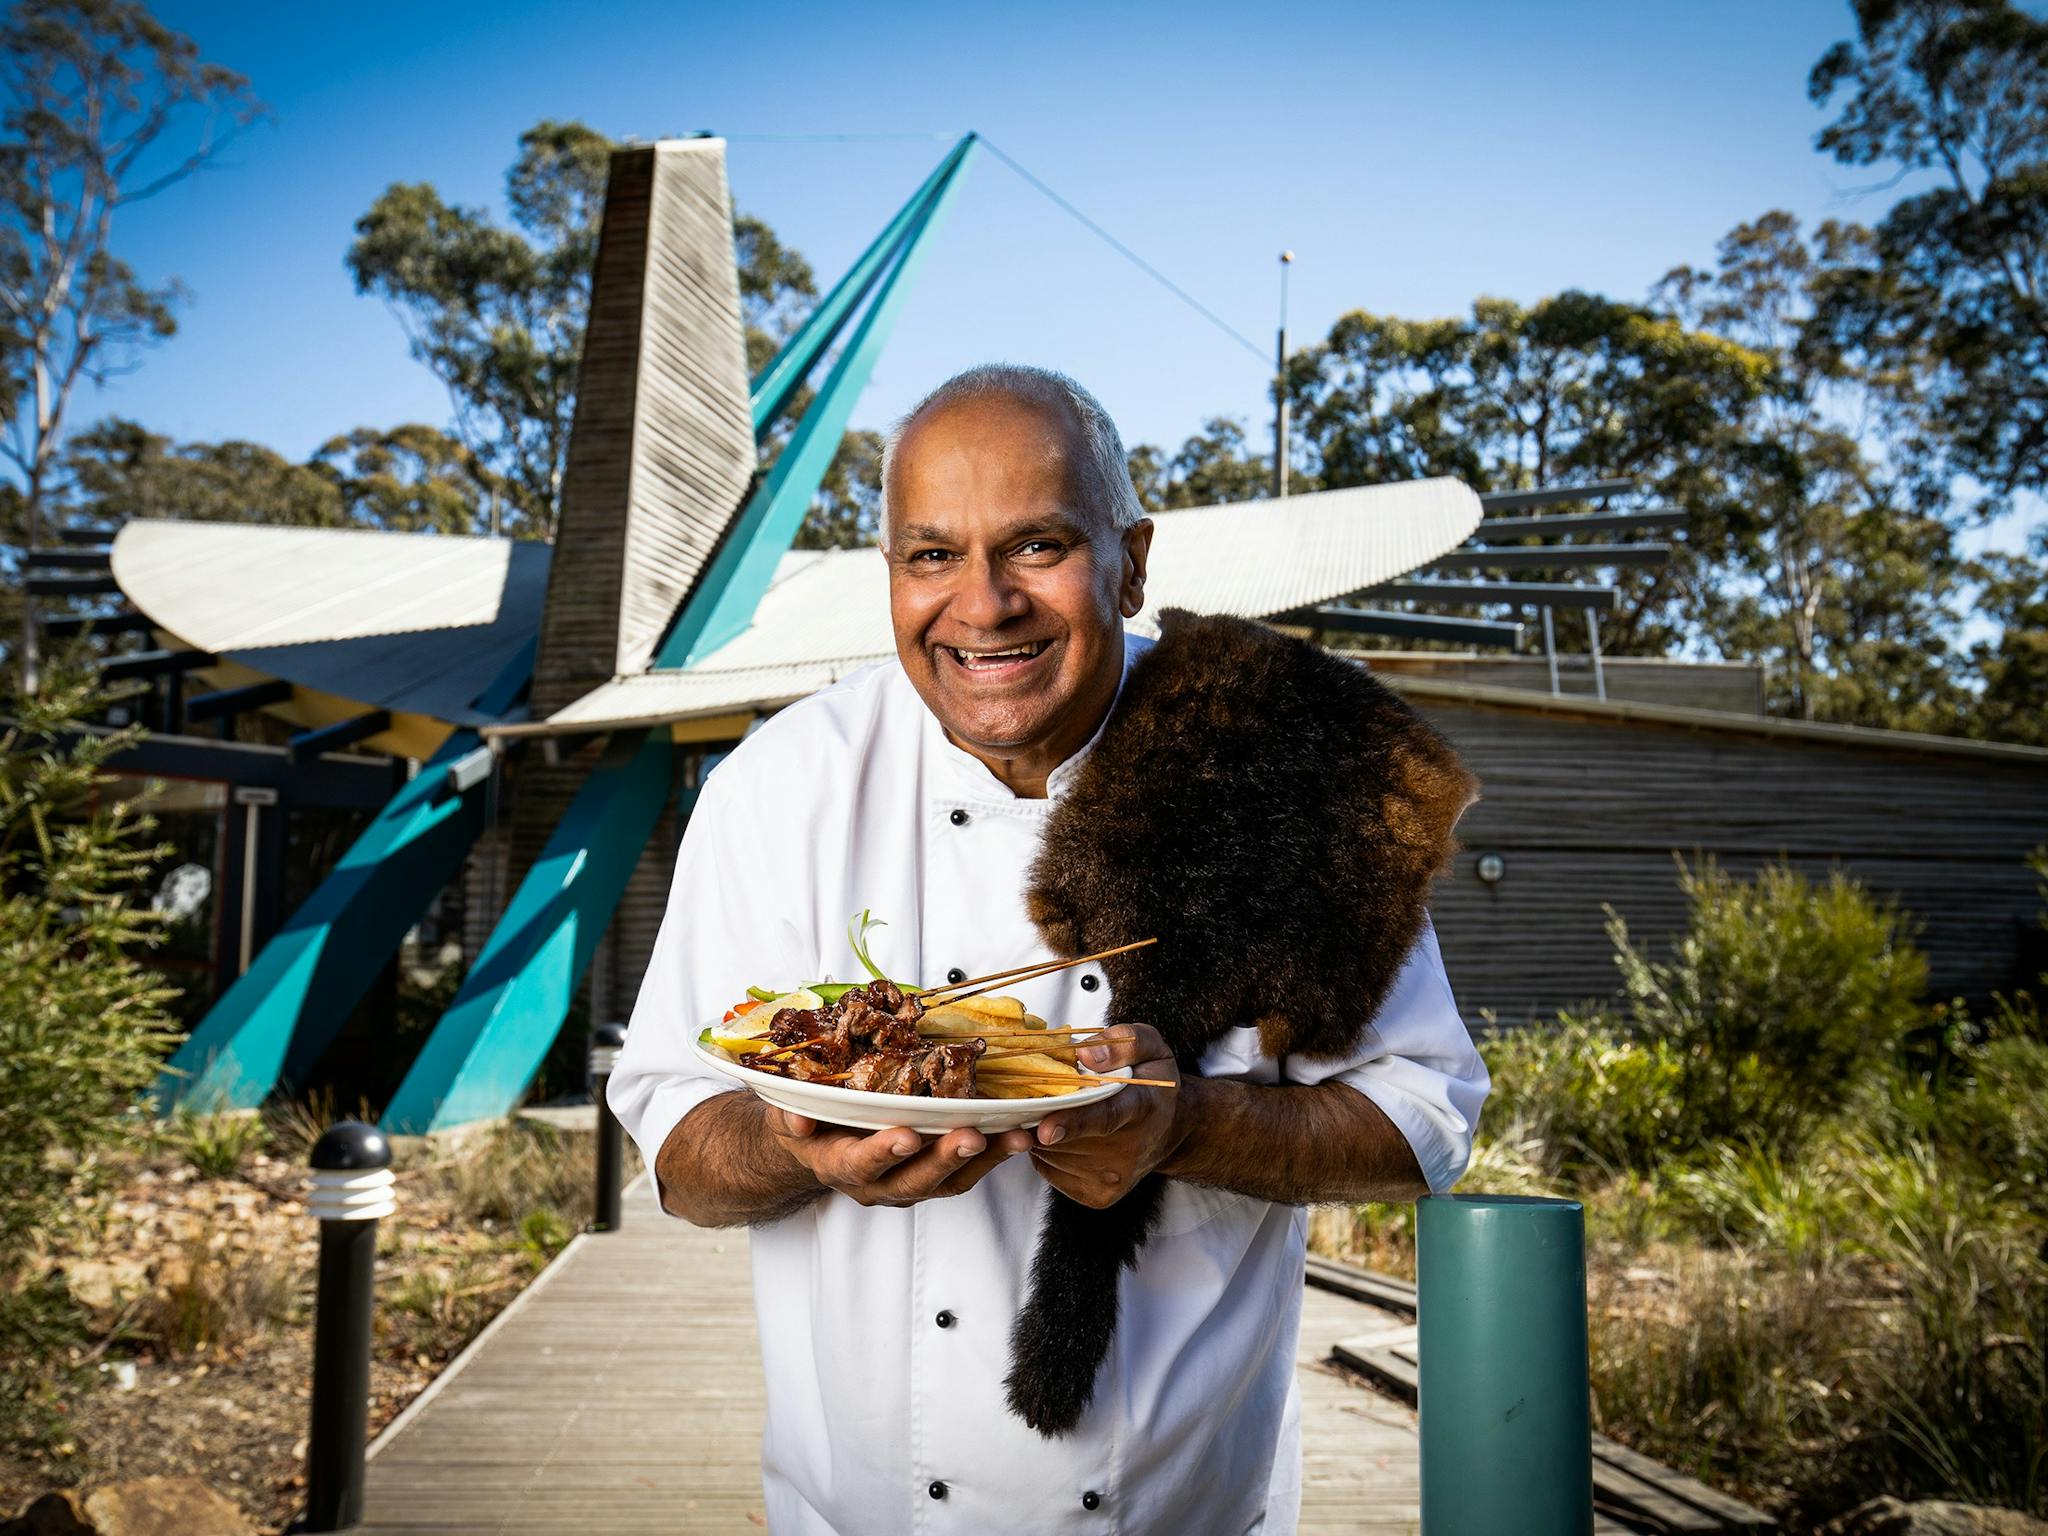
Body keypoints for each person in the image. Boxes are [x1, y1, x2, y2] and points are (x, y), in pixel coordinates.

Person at [608, 363, 1489, 1535]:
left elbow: (1422, 1122)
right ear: (889, 574)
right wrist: (791, 1144)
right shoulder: (780, 784)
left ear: (1131, 559)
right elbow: (677, 1144)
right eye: (930, 555)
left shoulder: (1282, 766)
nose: (980, 606)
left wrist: (1186, 1126)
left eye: (1035, 547)